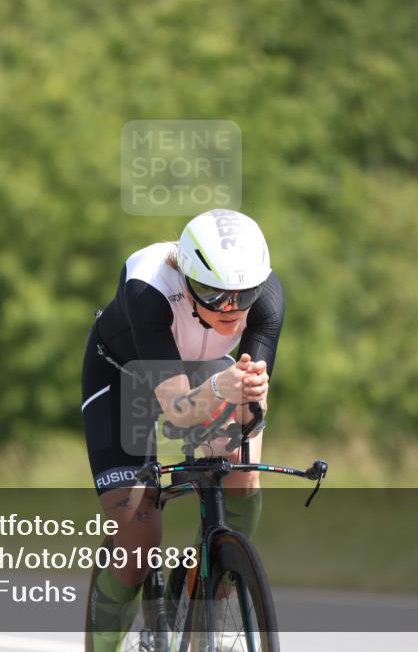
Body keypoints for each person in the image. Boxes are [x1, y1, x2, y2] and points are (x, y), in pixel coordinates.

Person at [82, 209, 284, 650]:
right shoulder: (148, 288)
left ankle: (204, 597)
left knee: (243, 478)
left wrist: (251, 401)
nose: (230, 308)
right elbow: (178, 410)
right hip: (123, 377)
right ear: (188, 280)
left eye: (243, 295)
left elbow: (250, 417)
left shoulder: (268, 297)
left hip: (205, 371)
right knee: (138, 538)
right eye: (213, 293)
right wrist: (224, 388)